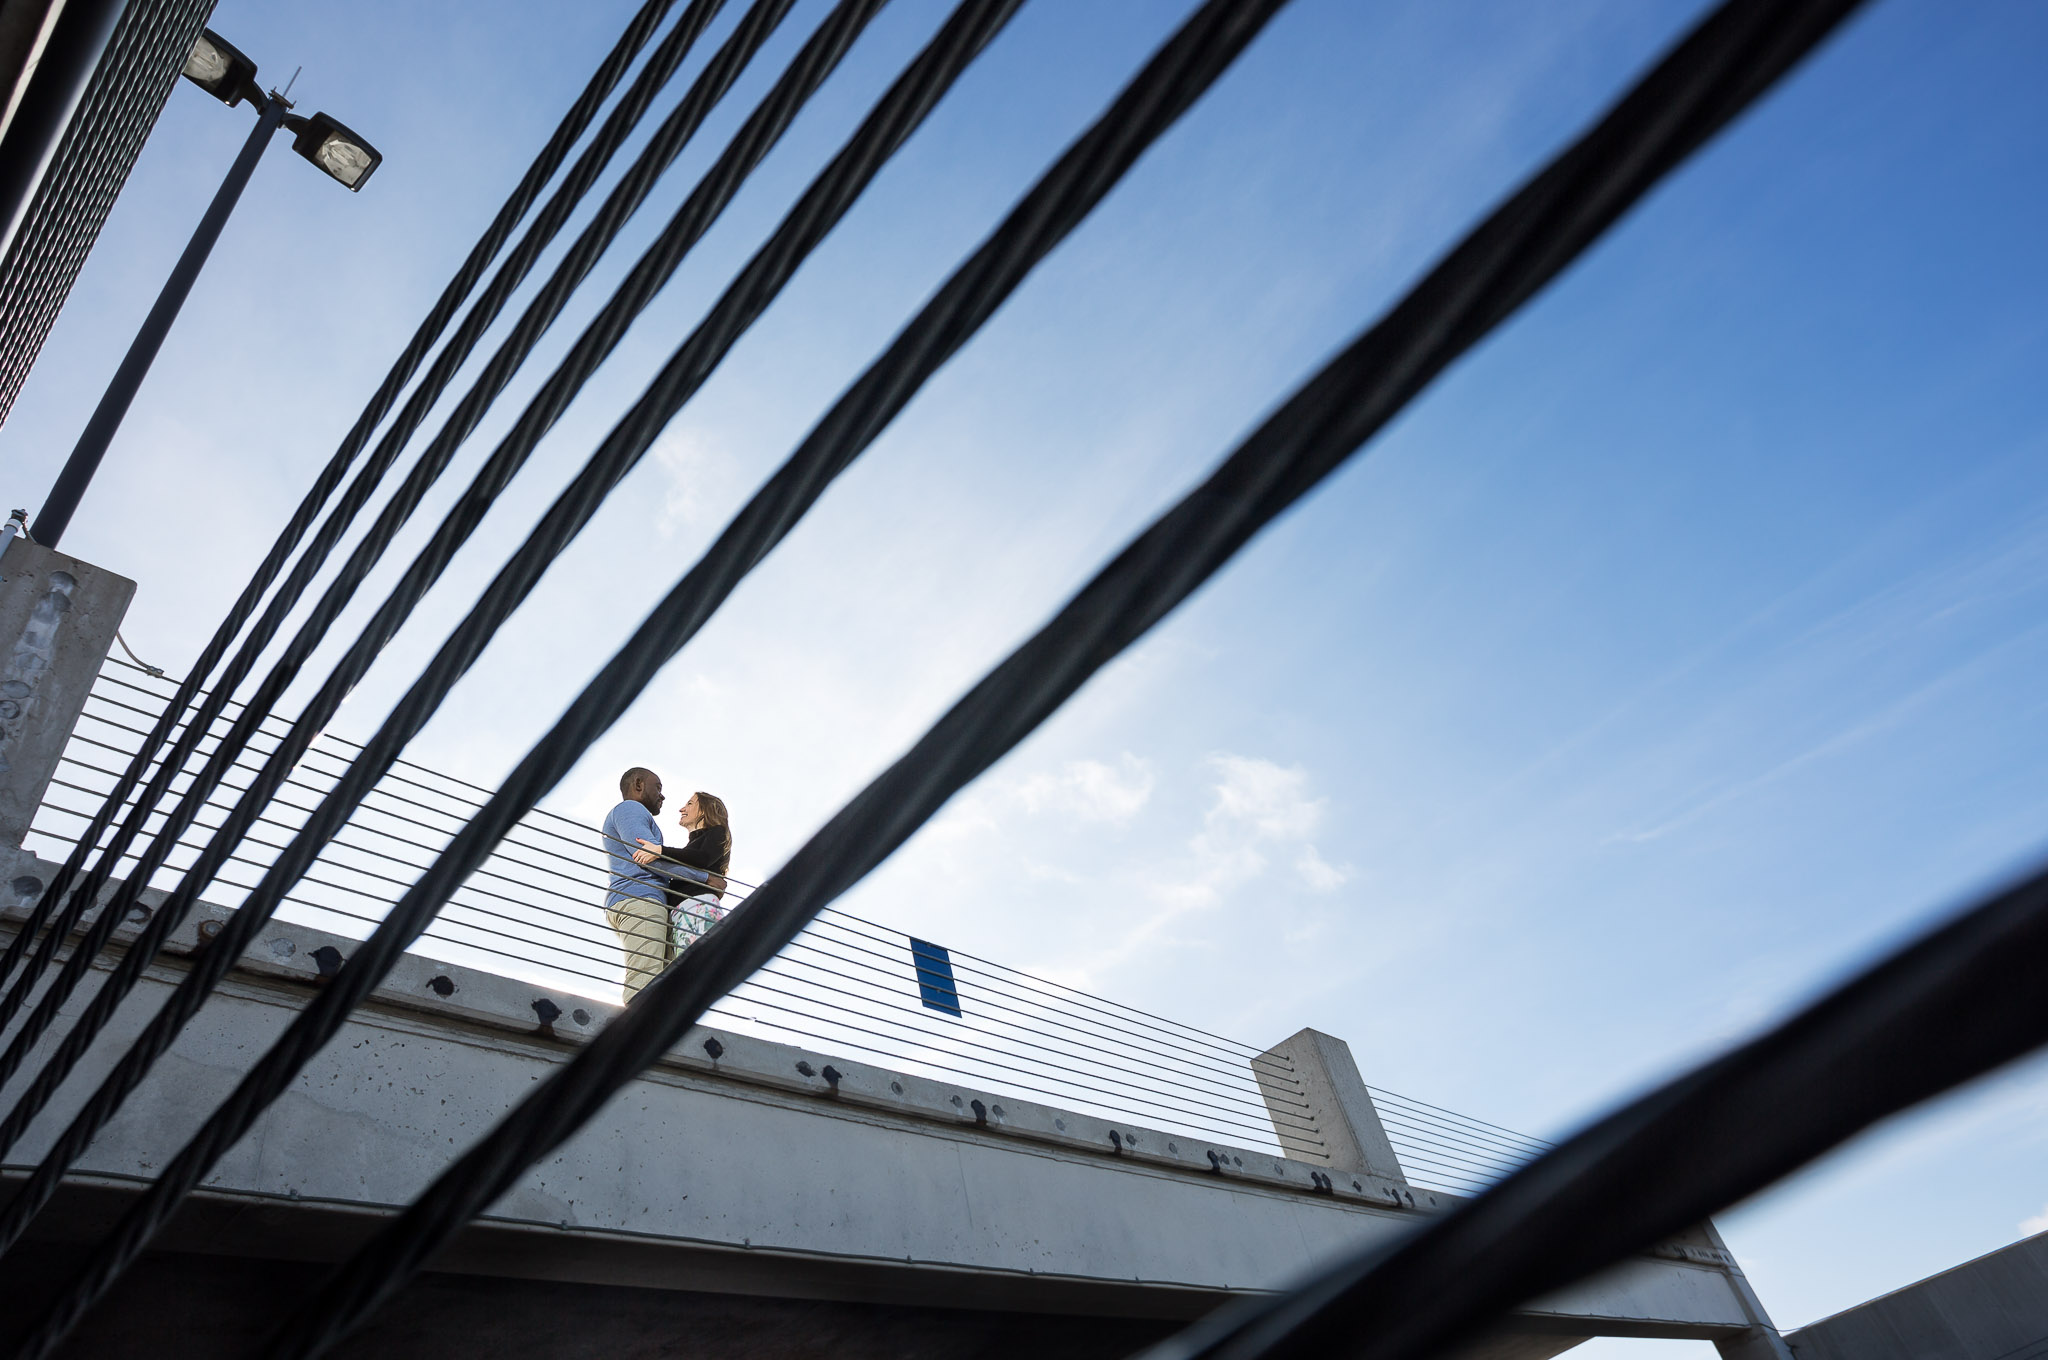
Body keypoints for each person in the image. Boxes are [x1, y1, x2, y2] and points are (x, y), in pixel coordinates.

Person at [602, 767, 672, 1004]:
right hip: (640, 898)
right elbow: (649, 856)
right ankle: (635, 1036)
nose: (663, 796)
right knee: (645, 980)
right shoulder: (630, 809)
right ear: (639, 784)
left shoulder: (635, 813)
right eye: (658, 787)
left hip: (642, 899)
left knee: (660, 982)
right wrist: (704, 878)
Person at [642, 791, 731, 959]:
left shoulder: (717, 832)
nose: (682, 809)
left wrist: (659, 851)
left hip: (698, 909)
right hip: (682, 914)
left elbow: (702, 858)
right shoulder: (690, 847)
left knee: (699, 964)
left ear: (705, 810)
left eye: (690, 804)